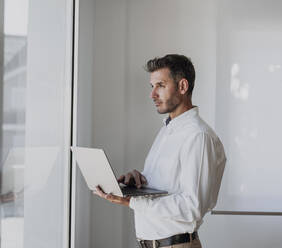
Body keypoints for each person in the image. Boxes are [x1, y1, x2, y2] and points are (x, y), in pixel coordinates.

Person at [94, 54, 226, 248]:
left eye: (160, 85)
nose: (152, 94)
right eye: (152, 86)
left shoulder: (198, 136)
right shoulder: (167, 130)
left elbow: (191, 207)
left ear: (182, 87)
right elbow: (167, 189)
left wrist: (131, 201)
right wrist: (139, 182)